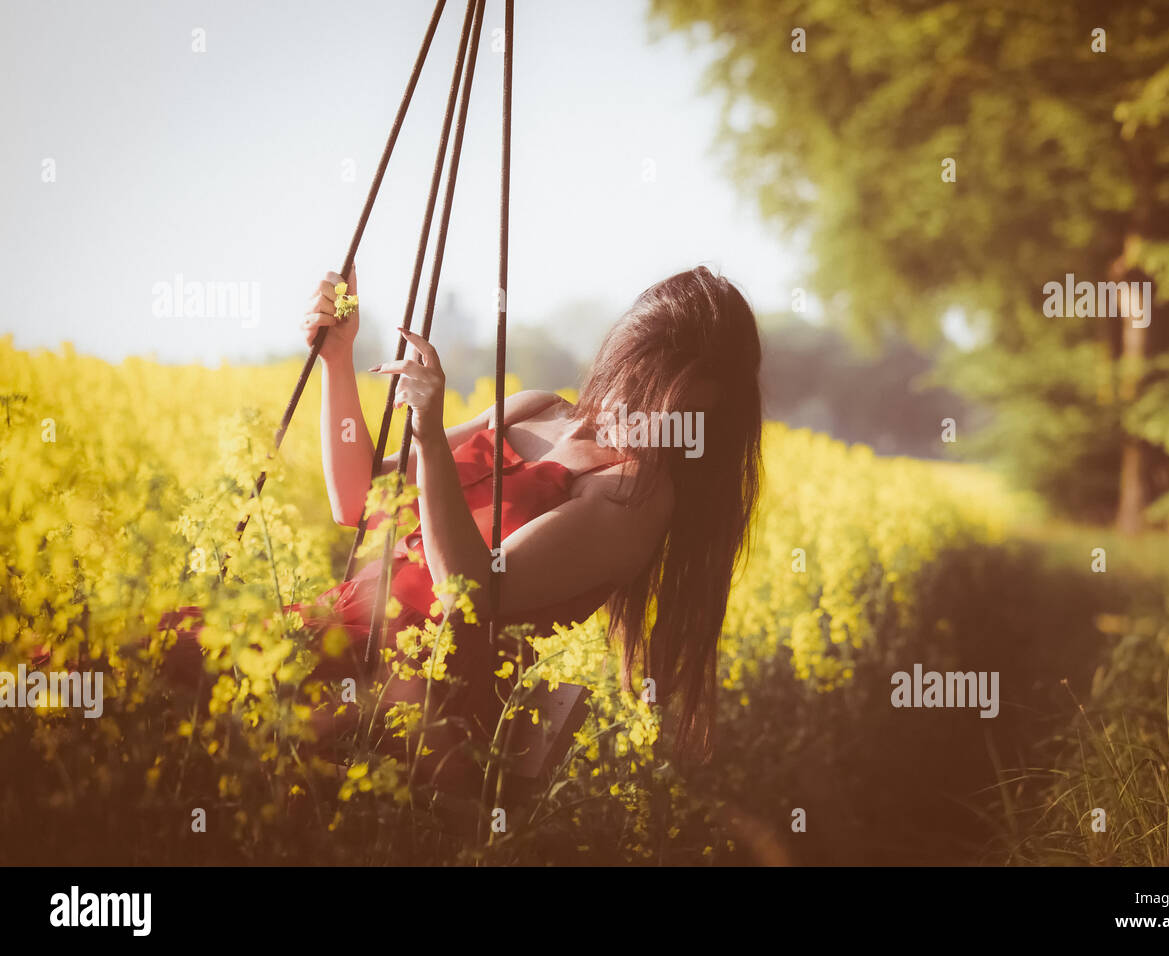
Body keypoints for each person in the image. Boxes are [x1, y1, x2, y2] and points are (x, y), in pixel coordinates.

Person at [161, 264, 763, 792]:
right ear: (626, 357)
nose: (647, 421)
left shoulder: (637, 496)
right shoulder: (536, 408)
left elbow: (467, 595)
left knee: (210, 718)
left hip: (416, 686)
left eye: (680, 415)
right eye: (645, 392)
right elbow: (358, 498)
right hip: (343, 623)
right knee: (142, 650)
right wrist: (337, 358)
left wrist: (428, 432)